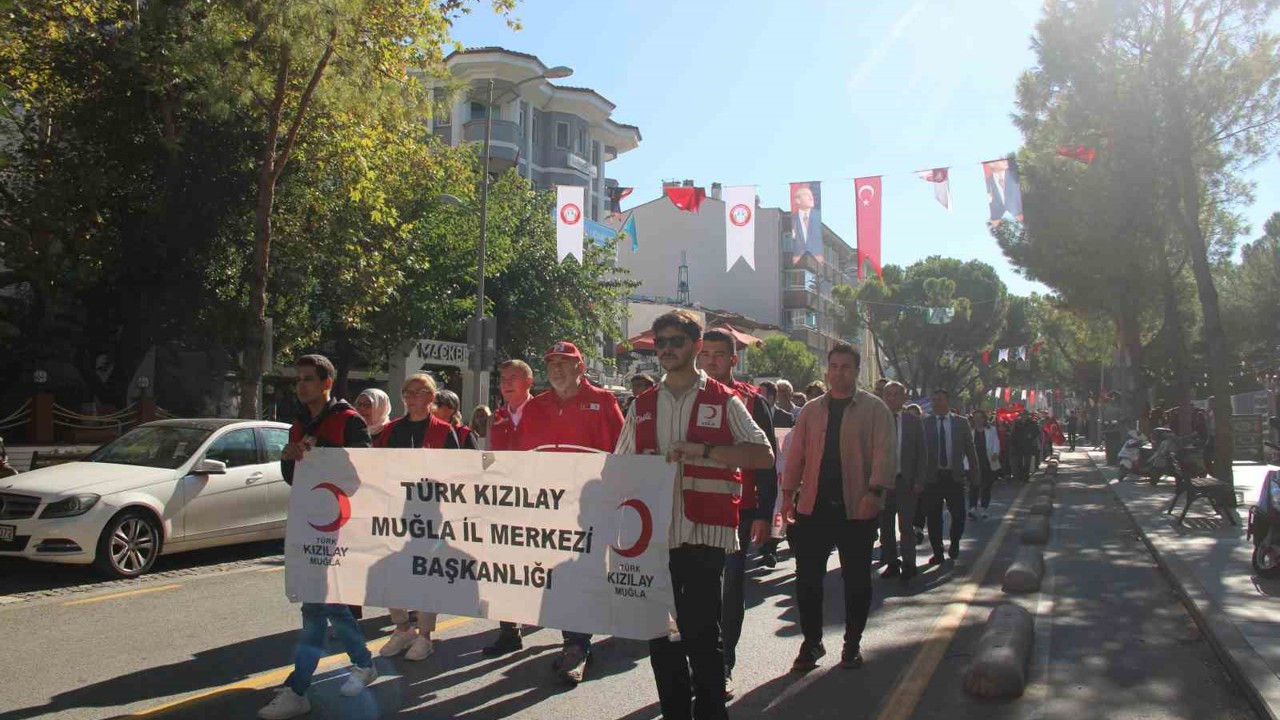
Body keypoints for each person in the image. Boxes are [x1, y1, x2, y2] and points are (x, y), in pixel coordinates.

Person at [615, 310, 772, 720]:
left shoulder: (723, 399)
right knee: (661, 637)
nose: (667, 349)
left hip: (706, 534)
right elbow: (618, 468)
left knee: (702, 633)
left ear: (696, 347)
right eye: (661, 342)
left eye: (676, 341)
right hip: (655, 539)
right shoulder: (642, 404)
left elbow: (762, 454)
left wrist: (704, 451)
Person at [485, 341, 624, 685]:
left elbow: (624, 453)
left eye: (565, 363)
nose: (558, 370)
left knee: (581, 577)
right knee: (560, 579)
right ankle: (574, 642)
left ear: (580, 367)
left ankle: (577, 646)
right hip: (547, 511)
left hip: (590, 510)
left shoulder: (604, 402)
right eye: (552, 364)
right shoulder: (537, 407)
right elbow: (519, 458)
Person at [259, 355, 374, 720]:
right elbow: (294, 477)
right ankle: (361, 662)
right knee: (323, 605)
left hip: (339, 526)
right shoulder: (297, 424)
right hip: (310, 524)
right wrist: (289, 457)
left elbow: (363, 473)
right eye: (298, 380)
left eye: (309, 379)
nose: (301, 385)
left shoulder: (348, 421)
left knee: (316, 607)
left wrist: (320, 451)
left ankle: (299, 688)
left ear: (327, 383)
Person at [781, 342, 893, 672]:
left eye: (845, 367)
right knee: (807, 581)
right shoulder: (811, 410)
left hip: (856, 508)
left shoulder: (875, 410)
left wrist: (874, 493)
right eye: (833, 366)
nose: (838, 373)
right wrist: (787, 494)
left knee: (857, 580)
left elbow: (885, 454)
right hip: (813, 507)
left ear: (857, 372)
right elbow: (795, 454)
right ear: (826, 370)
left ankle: (852, 643)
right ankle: (812, 642)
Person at [696, 328, 779, 698]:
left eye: (719, 354)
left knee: (729, 591)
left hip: (737, 512)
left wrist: (764, 514)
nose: (711, 360)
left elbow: (768, 462)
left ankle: (723, 663)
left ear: (733, 359)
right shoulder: (683, 397)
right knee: (696, 592)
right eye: (706, 353)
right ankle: (699, 661)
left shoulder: (751, 401)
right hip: (690, 509)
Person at [374, 373, 460, 663]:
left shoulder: (444, 431)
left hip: (431, 518)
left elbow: (456, 476)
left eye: (420, 391)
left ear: (432, 397)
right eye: (407, 392)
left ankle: (425, 635)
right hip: (394, 513)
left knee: (427, 573)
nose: (412, 397)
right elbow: (375, 467)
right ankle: (402, 628)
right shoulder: (390, 431)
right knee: (390, 570)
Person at [482, 359, 537, 655]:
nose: (506, 382)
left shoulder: (544, 412)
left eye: (514, 377)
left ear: (529, 381)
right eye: (503, 377)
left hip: (540, 505)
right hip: (505, 503)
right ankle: (509, 630)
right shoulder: (497, 417)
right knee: (502, 568)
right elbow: (489, 458)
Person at [921, 390, 978, 566]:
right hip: (932, 478)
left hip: (954, 477)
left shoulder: (960, 423)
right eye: (934, 400)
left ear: (947, 401)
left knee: (959, 515)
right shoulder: (925, 423)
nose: (937, 403)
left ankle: (954, 542)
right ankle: (937, 552)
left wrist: (975, 476)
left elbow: (970, 449)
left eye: (940, 400)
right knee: (933, 517)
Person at [878, 381, 927, 582]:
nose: (891, 398)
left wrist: (919, 480)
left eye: (896, 394)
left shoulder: (913, 421)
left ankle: (909, 564)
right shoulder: (876, 420)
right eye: (888, 394)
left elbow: (922, 453)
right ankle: (891, 563)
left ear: (903, 398)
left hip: (905, 482)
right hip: (882, 483)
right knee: (885, 528)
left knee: (906, 527)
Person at [967, 410, 1001, 520]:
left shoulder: (991, 430)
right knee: (974, 485)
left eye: (980, 418)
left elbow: (996, 442)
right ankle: (972, 507)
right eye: (975, 418)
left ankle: (983, 508)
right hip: (973, 462)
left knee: (986, 486)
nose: (977, 420)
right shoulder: (969, 431)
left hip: (987, 461)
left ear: (984, 419)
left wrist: (996, 453)